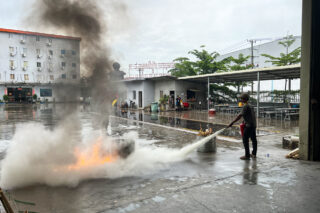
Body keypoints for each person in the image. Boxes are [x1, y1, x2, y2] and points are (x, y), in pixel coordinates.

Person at [228, 93, 257, 160]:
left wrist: (232, 122)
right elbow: (250, 115)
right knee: (254, 140)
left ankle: (247, 155)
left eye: (241, 98)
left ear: (244, 99)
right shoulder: (251, 106)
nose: (241, 100)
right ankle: (254, 154)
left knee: (245, 140)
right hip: (253, 125)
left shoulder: (245, 106)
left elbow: (240, 116)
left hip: (249, 125)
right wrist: (244, 120)